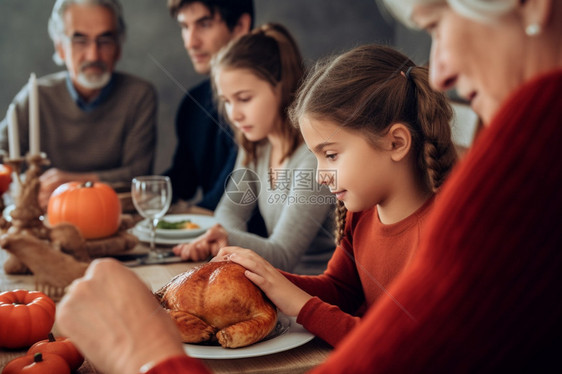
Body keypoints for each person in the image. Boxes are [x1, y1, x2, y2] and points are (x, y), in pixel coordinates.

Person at [55, 0, 562, 372]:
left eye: (436, 22)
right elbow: (339, 289)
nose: (442, 71)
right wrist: (272, 278)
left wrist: (141, 356)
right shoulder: (333, 197)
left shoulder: (482, 189)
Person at [212, 43, 457, 347]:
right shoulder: (363, 211)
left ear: (396, 143)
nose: (319, 175)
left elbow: (400, 347)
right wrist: (265, 277)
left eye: (330, 155)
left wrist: (302, 306)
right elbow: (340, 289)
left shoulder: (444, 236)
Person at [173, 23, 336, 275]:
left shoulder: (311, 158)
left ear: (281, 86)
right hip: (276, 287)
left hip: (311, 298)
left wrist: (225, 238)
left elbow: (283, 255)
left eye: (244, 98)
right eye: (227, 101)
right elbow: (228, 211)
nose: (234, 115)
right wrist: (222, 237)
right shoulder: (256, 146)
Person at [0, 0, 157, 209]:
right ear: (60, 48)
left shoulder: (138, 96)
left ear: (118, 48)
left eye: (105, 40)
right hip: (45, 218)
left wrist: (72, 183)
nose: (93, 55)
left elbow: (139, 175)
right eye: (80, 40)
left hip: (114, 215)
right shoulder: (35, 96)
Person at [164, 0, 253, 212]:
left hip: (250, 241)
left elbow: (230, 194)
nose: (190, 43)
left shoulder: (266, 104)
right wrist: (140, 195)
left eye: (204, 24)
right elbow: (184, 180)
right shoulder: (193, 102)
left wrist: (183, 214)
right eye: (185, 27)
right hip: (212, 234)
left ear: (240, 26)